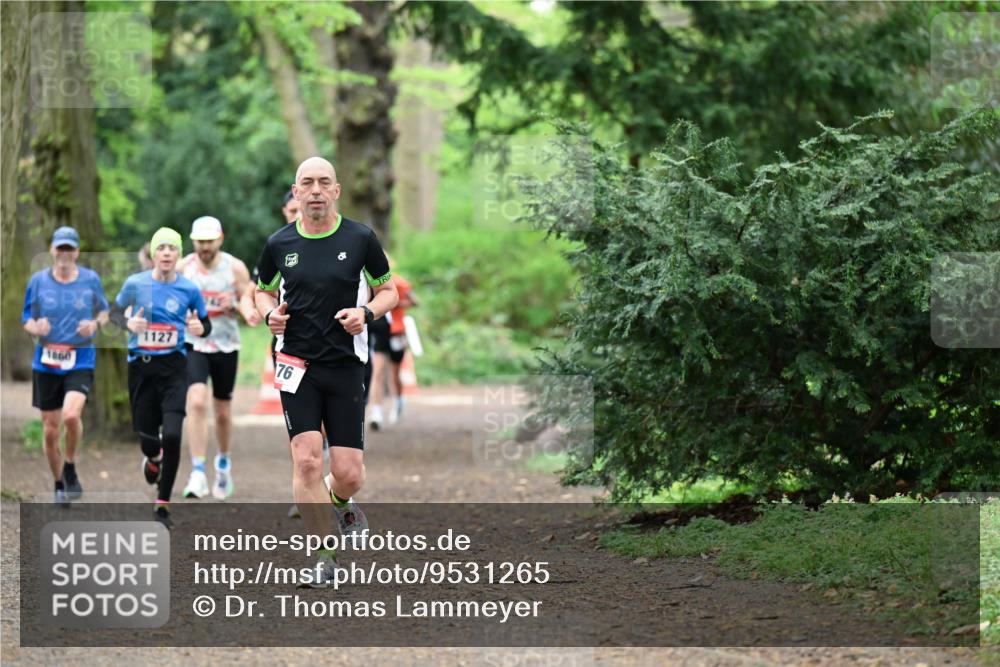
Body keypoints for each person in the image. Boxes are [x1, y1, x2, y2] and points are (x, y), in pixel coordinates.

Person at [255, 157, 397, 586]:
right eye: (307, 183)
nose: (315, 190)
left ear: (336, 190)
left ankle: (339, 500)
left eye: (323, 183)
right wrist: (269, 315)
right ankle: (324, 556)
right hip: (295, 365)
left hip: (346, 365)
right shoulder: (278, 244)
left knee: (350, 473)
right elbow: (261, 292)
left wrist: (365, 313)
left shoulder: (360, 239)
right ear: (296, 192)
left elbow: (388, 291)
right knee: (306, 461)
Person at [109, 227, 212, 528]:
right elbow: (114, 314)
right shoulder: (135, 283)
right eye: (161, 248)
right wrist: (129, 323)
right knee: (148, 439)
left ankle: (163, 503)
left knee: (174, 435)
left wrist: (200, 329)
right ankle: (154, 459)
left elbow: (205, 324)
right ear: (153, 254)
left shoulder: (189, 289)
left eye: (172, 248)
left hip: (174, 369)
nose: (166, 253)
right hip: (141, 369)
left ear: (179, 254)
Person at [21, 227, 109, 505]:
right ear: (52, 250)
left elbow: (104, 311)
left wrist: (94, 325)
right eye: (61, 248)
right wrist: (35, 327)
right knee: (50, 429)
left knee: (71, 416)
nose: (65, 254)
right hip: (46, 362)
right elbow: (26, 318)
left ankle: (69, 465)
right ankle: (59, 483)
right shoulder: (38, 281)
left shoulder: (90, 279)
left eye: (70, 249)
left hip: (80, 358)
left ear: (77, 252)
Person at [178, 216, 261, 500]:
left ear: (220, 239)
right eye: (200, 242)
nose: (204, 247)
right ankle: (198, 471)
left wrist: (235, 305)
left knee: (223, 412)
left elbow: (252, 306)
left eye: (209, 241)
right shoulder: (184, 268)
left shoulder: (234, 268)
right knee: (196, 401)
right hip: (195, 344)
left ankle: (223, 464)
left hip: (226, 345)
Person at [368, 265, 416, 430]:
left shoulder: (399, 282)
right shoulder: (368, 282)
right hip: (380, 332)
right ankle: (376, 413)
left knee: (395, 374)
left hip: (397, 332)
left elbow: (414, 301)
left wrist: (394, 301)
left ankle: (399, 401)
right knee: (378, 372)